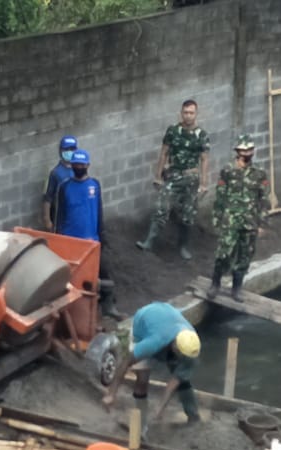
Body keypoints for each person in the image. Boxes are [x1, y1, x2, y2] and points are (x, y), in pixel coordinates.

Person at [103, 302, 202, 430]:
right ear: (175, 346)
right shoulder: (154, 342)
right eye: (180, 355)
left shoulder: (192, 345)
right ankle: (141, 423)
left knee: (182, 379)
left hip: (167, 314)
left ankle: (193, 416)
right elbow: (125, 361)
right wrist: (111, 394)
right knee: (143, 378)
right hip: (144, 320)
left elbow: (174, 381)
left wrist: (160, 408)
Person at [53, 149, 124, 320]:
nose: (78, 167)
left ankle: (109, 307)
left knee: (104, 274)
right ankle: (72, 313)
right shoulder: (64, 187)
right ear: (72, 165)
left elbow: (99, 212)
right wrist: (58, 238)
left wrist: (102, 235)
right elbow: (59, 214)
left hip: (92, 241)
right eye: (75, 164)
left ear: (88, 165)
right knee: (71, 279)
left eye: (81, 164)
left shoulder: (94, 185)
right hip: (71, 242)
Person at [136, 100, 210, 260]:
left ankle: (182, 246)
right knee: (161, 207)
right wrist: (158, 176)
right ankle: (149, 242)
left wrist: (204, 183)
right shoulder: (173, 131)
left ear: (196, 114)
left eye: (191, 112)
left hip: (191, 178)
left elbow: (204, 159)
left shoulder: (201, 135)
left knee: (188, 215)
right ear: (181, 113)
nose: (188, 116)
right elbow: (164, 153)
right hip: (174, 175)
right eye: (185, 112)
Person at [209, 134, 271, 302]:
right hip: (230, 220)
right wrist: (217, 218)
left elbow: (264, 199)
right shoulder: (228, 170)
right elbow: (220, 196)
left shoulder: (259, 173)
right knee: (224, 253)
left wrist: (262, 223)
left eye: (250, 149)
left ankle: (237, 288)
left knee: (245, 255)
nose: (247, 153)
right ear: (237, 151)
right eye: (244, 150)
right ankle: (215, 283)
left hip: (250, 222)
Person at [42, 135, 79, 231]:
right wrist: (47, 220)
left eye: (72, 149)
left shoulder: (79, 169)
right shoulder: (55, 173)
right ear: (61, 151)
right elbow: (48, 198)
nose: (70, 151)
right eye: (67, 149)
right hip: (60, 218)